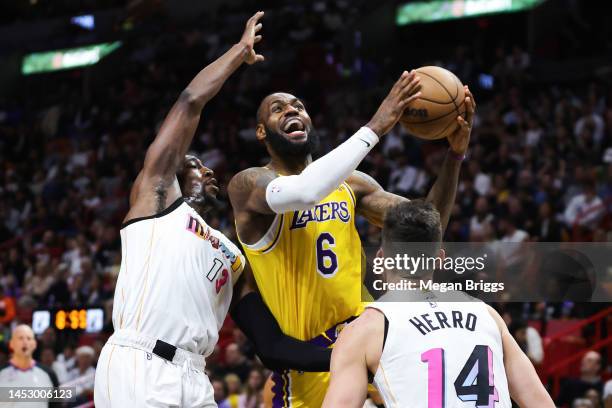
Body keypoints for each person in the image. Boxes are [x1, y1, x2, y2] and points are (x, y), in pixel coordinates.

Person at [94, 12, 332, 407]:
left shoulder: (233, 256)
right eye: (191, 164)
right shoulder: (155, 205)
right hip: (140, 363)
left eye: (206, 165)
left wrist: (351, 355)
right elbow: (190, 102)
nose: (204, 168)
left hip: (196, 378)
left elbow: (273, 348)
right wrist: (239, 53)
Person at [228, 67, 475, 405]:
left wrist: (455, 155)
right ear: (261, 132)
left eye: (298, 106)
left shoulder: (352, 185)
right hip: (307, 362)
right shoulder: (248, 185)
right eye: (278, 109)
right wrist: (377, 125)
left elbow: (427, 226)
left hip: (366, 335)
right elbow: (305, 191)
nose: (291, 111)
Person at [321, 200, 555, 408]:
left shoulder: (365, 329)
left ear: (381, 259)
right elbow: (540, 402)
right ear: (439, 259)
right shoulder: (488, 315)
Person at [0, 325, 59, 408]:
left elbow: (56, 405)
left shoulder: (49, 374)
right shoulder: (1, 373)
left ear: (34, 344)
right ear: (11, 344)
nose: (25, 342)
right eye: (20, 338)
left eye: (28, 338)